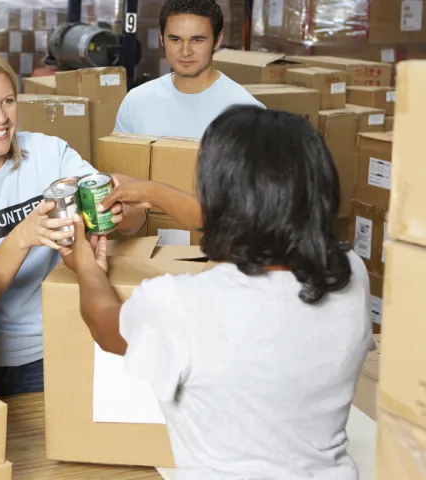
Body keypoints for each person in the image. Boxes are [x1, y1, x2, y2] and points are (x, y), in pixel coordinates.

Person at [61, 105, 373, 479]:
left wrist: (85, 266)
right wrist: (152, 192)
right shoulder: (350, 272)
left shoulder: (184, 304)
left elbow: (102, 323)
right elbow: (260, 223)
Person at [0, 45, 146, 396]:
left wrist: (120, 213)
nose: (1, 118)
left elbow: (137, 219)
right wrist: (23, 236)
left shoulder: (49, 153)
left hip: (58, 346)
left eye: (7, 101)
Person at [114, 0, 264, 138]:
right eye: (175, 39)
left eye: (197, 40)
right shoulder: (136, 102)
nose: (185, 51)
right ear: (162, 39)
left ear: (218, 41)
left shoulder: (247, 112)